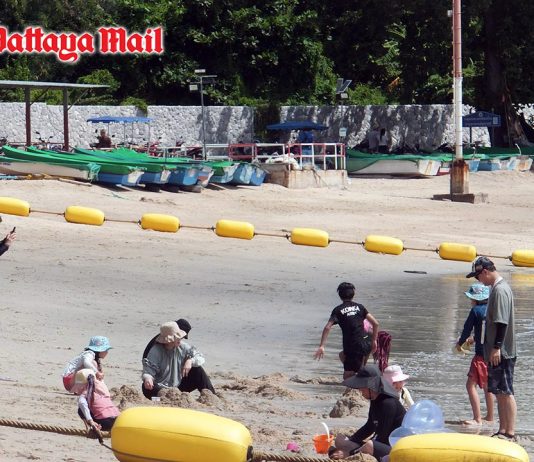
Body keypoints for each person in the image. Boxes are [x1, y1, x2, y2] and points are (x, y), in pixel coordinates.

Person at [466, 256, 516, 441]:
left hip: (503, 352)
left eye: (478, 276)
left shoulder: (500, 290)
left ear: (485, 272)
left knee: (506, 392)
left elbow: (502, 322)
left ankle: (510, 432)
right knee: (499, 391)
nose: (478, 280)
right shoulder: (495, 288)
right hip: (497, 351)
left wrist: (496, 347)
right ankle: (502, 430)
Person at [329, 365, 405, 460]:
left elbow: (381, 437)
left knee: (369, 445)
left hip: (396, 449)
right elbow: (369, 426)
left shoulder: (388, 403)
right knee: (340, 440)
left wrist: (350, 453)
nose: (360, 390)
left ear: (371, 386)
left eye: (362, 386)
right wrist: (351, 440)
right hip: (380, 443)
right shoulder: (374, 399)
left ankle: (347, 454)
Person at [314, 282, 379, 379]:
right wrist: (374, 341)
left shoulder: (338, 310)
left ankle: (367, 378)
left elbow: (327, 327)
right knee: (342, 355)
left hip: (352, 346)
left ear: (340, 295)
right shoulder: (360, 307)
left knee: (347, 377)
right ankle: (362, 373)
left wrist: (322, 346)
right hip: (366, 343)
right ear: (353, 294)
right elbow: (375, 323)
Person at [142, 321, 215, 399]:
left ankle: (211, 397)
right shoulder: (156, 350)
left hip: (178, 387)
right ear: (169, 340)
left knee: (198, 370)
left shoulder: (183, 346)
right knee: (146, 387)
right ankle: (164, 399)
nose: (180, 339)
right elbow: (148, 371)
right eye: (177, 337)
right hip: (160, 387)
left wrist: (190, 361)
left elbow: (200, 357)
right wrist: (148, 378)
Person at [456, 282, 494, 425]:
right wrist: (475, 339)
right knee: (488, 386)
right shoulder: (492, 310)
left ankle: (477, 419)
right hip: (492, 354)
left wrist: (460, 343)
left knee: (470, 385)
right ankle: (490, 417)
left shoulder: (475, 311)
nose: (470, 301)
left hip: (480, 355)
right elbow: (486, 331)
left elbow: (467, 329)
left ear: (476, 299)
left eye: (471, 298)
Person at [72, 368, 120, 434]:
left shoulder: (84, 394)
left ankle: (92, 427)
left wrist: (91, 422)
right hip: (118, 420)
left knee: (80, 410)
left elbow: (82, 404)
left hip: (104, 423)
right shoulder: (103, 389)